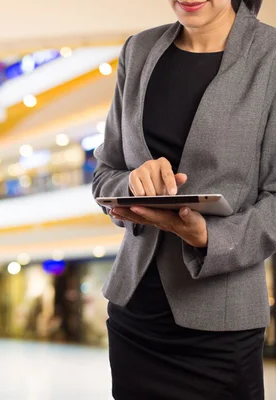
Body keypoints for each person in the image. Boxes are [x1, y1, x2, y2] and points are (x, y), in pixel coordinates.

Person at [92, 1, 275, 398]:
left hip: (221, 324)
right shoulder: (138, 50)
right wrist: (132, 183)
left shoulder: (271, 56)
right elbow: (105, 173)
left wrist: (207, 236)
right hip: (135, 313)